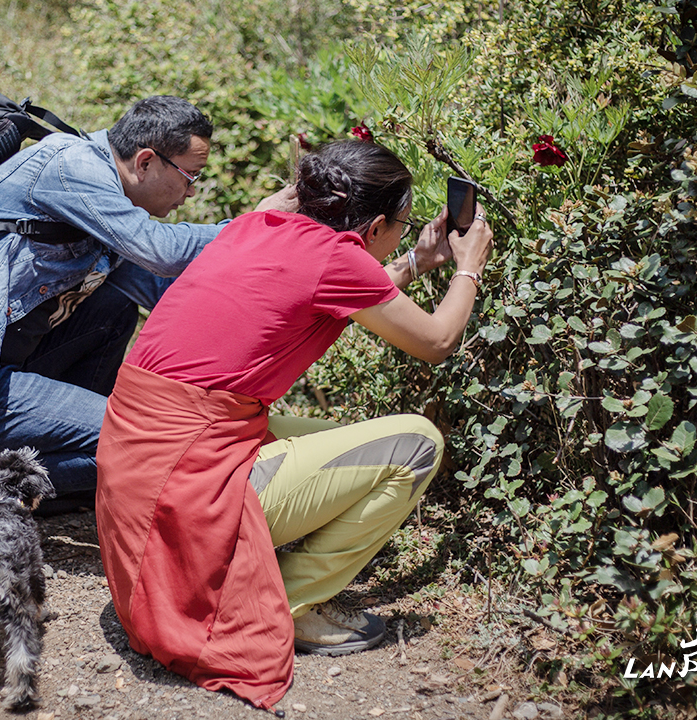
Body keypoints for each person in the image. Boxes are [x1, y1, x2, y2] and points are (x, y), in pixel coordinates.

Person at [94, 139, 494, 708]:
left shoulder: (258, 222)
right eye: (403, 224)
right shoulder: (338, 259)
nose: (405, 233)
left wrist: (417, 260)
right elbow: (436, 340)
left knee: (330, 437)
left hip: (140, 461)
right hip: (184, 488)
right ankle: (289, 603)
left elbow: (340, 285)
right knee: (416, 445)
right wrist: (468, 269)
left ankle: (265, 572)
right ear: (376, 223)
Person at [0, 95, 290, 567]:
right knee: (133, 442)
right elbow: (161, 251)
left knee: (113, 307)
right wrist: (257, 226)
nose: (191, 192)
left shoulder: (102, 206)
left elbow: (172, 295)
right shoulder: (72, 166)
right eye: (190, 176)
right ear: (147, 161)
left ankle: (61, 474)